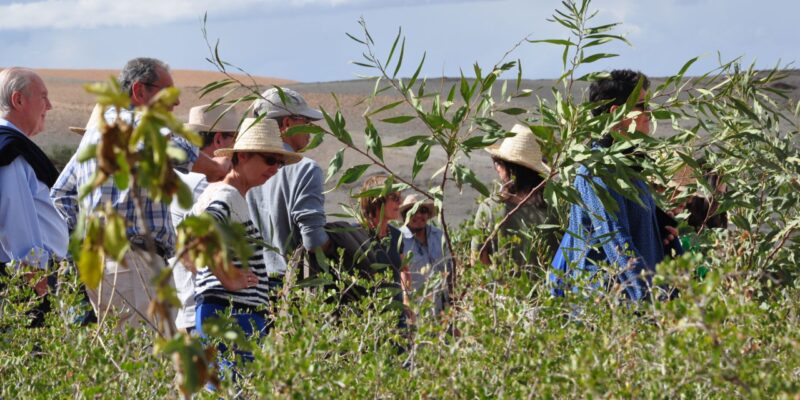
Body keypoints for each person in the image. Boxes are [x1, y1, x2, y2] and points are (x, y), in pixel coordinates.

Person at [50, 57, 224, 329]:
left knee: (124, 356)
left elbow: (62, 194)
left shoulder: (95, 132)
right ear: (139, 91)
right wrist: (214, 168)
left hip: (107, 263)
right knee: (145, 358)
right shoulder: (132, 123)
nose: (176, 102)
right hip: (132, 262)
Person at [551, 69, 682, 301]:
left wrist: (656, 230)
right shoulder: (596, 173)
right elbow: (617, 242)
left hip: (632, 308)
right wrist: (651, 304)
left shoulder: (630, 169)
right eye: (642, 106)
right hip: (607, 312)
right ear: (616, 114)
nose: (649, 114)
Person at [190, 117, 301, 382]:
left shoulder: (228, 195)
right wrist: (228, 276)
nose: (275, 169)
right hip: (231, 313)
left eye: (280, 162)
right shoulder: (226, 195)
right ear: (242, 156)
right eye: (269, 160)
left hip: (227, 312)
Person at [0, 67, 68, 326]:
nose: (49, 106)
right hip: (27, 278)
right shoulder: (9, 149)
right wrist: (34, 266)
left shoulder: (12, 145)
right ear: (18, 100)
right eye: (43, 96)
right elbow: (13, 209)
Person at [246, 87, 330, 288]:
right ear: (288, 124)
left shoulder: (241, 167)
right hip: (287, 284)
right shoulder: (306, 169)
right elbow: (313, 240)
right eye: (307, 122)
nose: (311, 129)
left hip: (248, 286)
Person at [170, 104, 238, 334]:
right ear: (219, 140)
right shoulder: (204, 185)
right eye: (235, 140)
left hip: (178, 306)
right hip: (199, 305)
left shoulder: (174, 178)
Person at [470, 123, 560, 276]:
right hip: (549, 296)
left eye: (499, 163)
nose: (496, 168)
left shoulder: (490, 208)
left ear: (511, 170)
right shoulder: (556, 208)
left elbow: (478, 261)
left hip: (504, 296)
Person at [398, 194, 452, 315]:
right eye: (412, 211)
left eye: (422, 211)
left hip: (443, 310)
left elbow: (451, 268)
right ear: (404, 215)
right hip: (414, 312)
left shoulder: (439, 236)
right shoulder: (398, 240)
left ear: (427, 214)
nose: (418, 215)